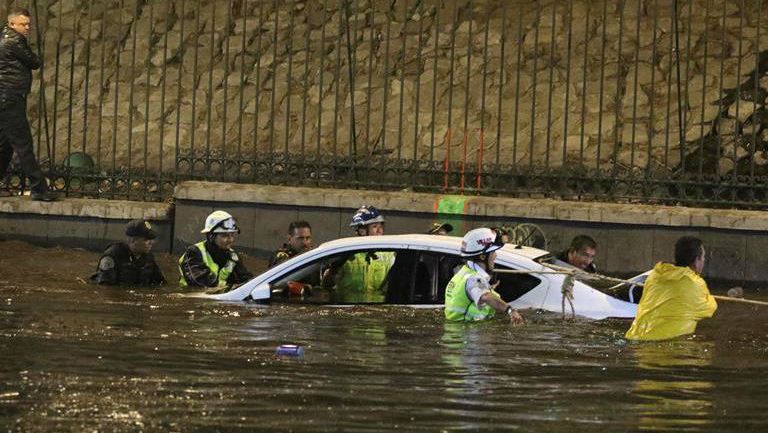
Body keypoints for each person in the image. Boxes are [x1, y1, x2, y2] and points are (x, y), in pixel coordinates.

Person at [0, 8, 57, 201]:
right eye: (23, 24)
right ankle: (39, 189)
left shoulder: (3, 37)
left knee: (5, 144)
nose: (26, 28)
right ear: (12, 24)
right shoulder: (14, 40)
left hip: (5, 98)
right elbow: (34, 62)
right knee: (23, 144)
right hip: (11, 98)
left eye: (28, 24)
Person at [625, 236, 717, 341]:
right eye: (703, 257)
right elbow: (708, 309)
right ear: (696, 260)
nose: (704, 260)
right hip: (662, 342)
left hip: (635, 335)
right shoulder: (694, 283)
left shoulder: (656, 274)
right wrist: (709, 298)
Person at [444, 227, 524, 324]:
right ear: (482, 257)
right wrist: (510, 311)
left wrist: (489, 288)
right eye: (493, 252)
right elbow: (486, 297)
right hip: (467, 333)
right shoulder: (474, 278)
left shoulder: (465, 272)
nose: (495, 256)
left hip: (459, 331)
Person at [327, 205, 394, 302]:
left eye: (381, 226)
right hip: (347, 308)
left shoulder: (388, 255)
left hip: (375, 309)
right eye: (375, 227)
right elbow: (327, 284)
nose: (380, 231)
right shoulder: (346, 254)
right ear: (362, 231)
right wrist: (334, 269)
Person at [178, 210, 253, 289]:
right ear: (211, 236)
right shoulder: (194, 253)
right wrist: (232, 287)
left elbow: (245, 279)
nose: (230, 240)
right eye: (225, 235)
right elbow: (200, 282)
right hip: (191, 297)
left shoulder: (233, 257)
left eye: (232, 235)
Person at [90, 219, 165, 286]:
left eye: (151, 239)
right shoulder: (113, 255)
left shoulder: (148, 257)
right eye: (146, 240)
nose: (151, 242)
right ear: (133, 241)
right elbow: (105, 286)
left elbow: (160, 282)